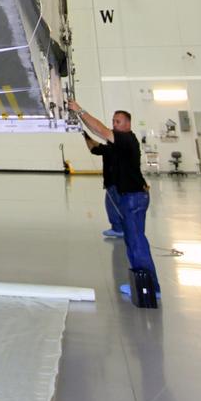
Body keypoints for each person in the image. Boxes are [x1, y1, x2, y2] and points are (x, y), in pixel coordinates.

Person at [69, 101, 160, 298]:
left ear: (127, 124)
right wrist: (83, 132)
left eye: (118, 121)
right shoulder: (116, 146)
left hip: (134, 198)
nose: (114, 124)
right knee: (133, 240)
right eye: (113, 121)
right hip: (133, 196)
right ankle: (143, 280)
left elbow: (101, 130)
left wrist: (80, 110)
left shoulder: (126, 139)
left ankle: (150, 286)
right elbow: (96, 146)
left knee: (136, 242)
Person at [83, 131, 124, 238]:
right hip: (120, 182)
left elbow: (93, 149)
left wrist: (86, 138)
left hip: (113, 183)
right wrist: (88, 137)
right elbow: (97, 146)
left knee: (112, 206)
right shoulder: (116, 148)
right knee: (119, 205)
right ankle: (122, 227)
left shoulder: (110, 149)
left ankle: (118, 229)